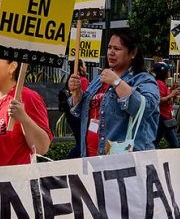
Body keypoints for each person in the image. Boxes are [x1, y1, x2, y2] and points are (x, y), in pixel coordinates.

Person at [68, 28, 159, 157]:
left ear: (132, 53)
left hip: (126, 163)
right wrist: (76, 93)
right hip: (91, 158)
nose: (111, 52)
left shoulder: (143, 80)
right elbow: (80, 111)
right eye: (109, 47)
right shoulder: (99, 80)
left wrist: (117, 82)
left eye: (117, 49)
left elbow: (145, 108)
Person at [61, 60, 88, 158]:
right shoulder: (82, 81)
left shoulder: (70, 79)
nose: (86, 68)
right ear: (80, 68)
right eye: (84, 65)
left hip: (70, 115)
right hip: (78, 116)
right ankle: (69, 161)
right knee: (82, 143)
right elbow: (84, 100)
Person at [152, 62, 180, 148]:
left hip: (167, 118)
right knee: (173, 144)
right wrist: (172, 94)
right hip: (162, 118)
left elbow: (169, 101)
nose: (169, 73)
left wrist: (172, 90)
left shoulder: (163, 84)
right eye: (168, 71)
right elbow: (158, 100)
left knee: (172, 144)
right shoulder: (159, 83)